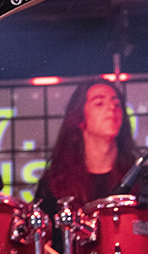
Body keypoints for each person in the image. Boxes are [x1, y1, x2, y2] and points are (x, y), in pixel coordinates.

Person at [35, 78, 138, 226]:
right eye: (99, 103)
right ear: (79, 118)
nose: (112, 107)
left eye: (117, 104)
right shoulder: (55, 183)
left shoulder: (139, 179)